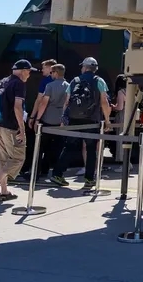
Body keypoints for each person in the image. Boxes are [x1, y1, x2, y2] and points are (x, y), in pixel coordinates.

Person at [50, 57, 112, 190]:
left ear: (85, 68)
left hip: (74, 120)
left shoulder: (75, 81)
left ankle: (57, 174)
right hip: (91, 120)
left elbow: (67, 102)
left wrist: (63, 119)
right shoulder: (99, 81)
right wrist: (107, 120)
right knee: (90, 149)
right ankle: (89, 179)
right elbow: (104, 102)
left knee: (69, 146)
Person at [0, 59, 37, 201]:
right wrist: (22, 128)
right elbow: (17, 107)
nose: (29, 75)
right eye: (29, 71)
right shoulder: (19, 84)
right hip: (11, 127)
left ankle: (4, 191)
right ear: (23, 70)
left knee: (3, 159)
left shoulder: (4, 81)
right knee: (18, 157)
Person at [30, 63, 70, 179]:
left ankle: (36, 172)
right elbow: (66, 104)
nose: (51, 74)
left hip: (47, 119)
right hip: (60, 120)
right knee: (55, 148)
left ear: (56, 73)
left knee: (40, 146)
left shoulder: (50, 86)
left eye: (52, 72)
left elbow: (43, 103)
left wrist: (37, 118)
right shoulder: (68, 86)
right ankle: (50, 171)